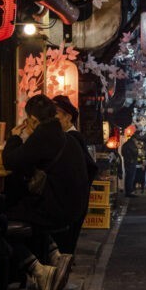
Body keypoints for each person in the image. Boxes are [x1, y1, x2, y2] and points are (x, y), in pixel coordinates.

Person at [2, 95, 89, 290]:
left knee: (1, 222)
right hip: (73, 207)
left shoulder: (43, 135)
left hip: (58, 209)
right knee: (26, 212)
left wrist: (14, 137)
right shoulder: (62, 135)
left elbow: (11, 161)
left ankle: (40, 272)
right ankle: (55, 255)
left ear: (33, 120)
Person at [51, 94, 97, 253]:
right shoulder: (68, 138)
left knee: (63, 247)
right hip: (74, 203)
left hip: (70, 204)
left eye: (55, 113)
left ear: (68, 117)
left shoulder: (72, 139)